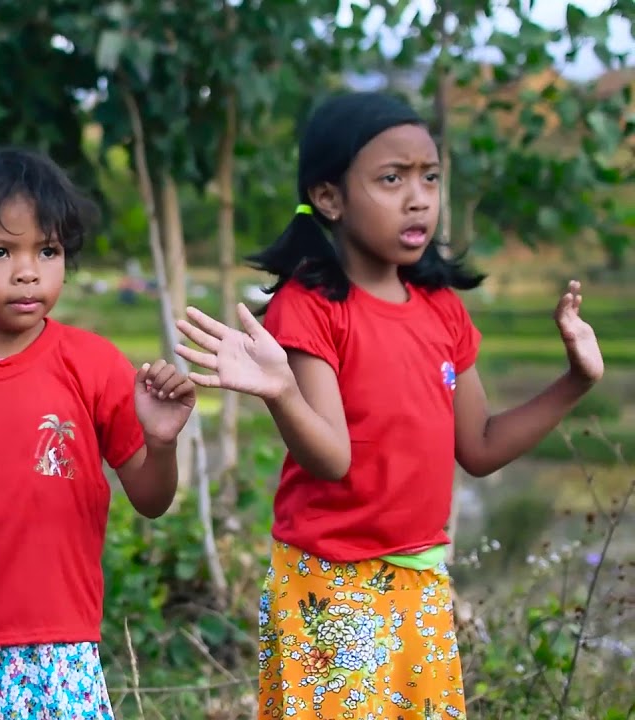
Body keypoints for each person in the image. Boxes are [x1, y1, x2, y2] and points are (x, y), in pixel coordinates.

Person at [174, 92, 605, 720]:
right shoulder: (312, 305)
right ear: (329, 198)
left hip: (422, 583)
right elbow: (333, 461)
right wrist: (283, 393)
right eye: (391, 178)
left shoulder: (442, 309)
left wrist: (574, 383)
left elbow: (479, 447)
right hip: (332, 586)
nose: (419, 197)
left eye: (429, 177)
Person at [0, 148, 197, 719]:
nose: (28, 271)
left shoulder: (94, 365)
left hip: (61, 646)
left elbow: (150, 500)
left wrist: (163, 443)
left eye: (46, 251)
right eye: (0, 251)